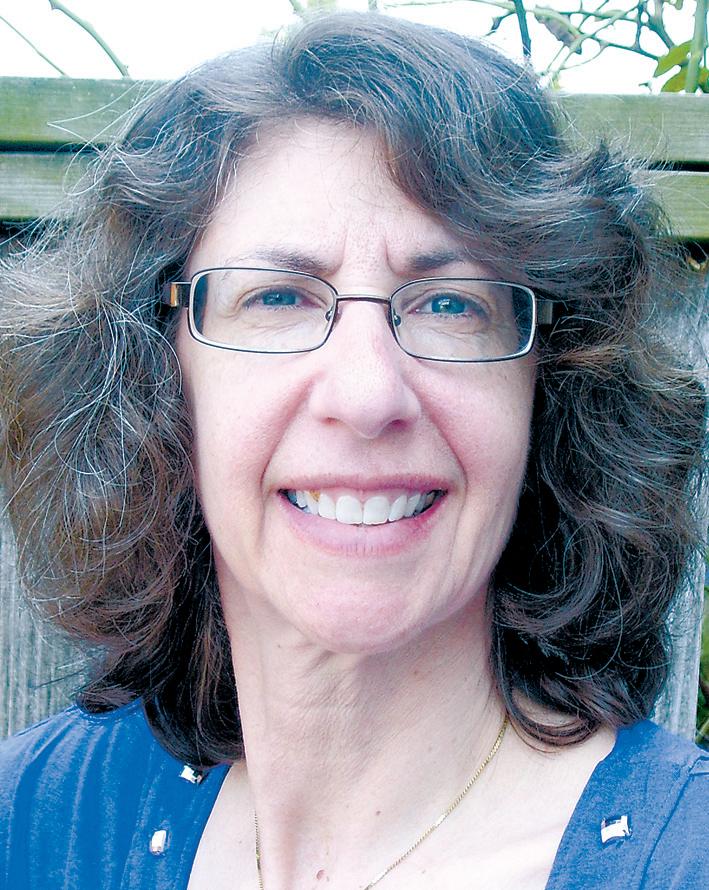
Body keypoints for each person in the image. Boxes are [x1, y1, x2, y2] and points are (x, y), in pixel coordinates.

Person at [0, 11, 707, 890]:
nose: (368, 396)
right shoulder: (34, 823)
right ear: (153, 375)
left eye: (451, 305)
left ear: (549, 387)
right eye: (277, 298)